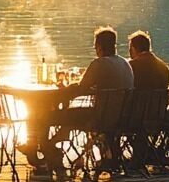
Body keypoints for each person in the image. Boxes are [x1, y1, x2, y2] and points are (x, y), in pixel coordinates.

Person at [21, 27, 134, 172]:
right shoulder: (125, 63)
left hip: (98, 118)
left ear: (99, 47)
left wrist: (63, 91)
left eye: (95, 46)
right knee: (68, 116)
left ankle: (45, 150)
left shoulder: (99, 64)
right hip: (120, 118)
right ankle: (52, 146)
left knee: (45, 116)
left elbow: (80, 89)